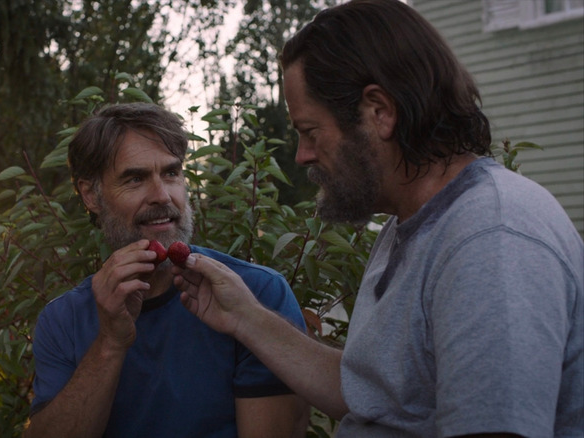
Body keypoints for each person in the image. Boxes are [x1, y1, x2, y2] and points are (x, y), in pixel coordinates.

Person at [172, 1, 584, 437]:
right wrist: (245, 317)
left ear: (379, 112)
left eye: (311, 131)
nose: (302, 155)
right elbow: (377, 397)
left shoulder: (490, 239)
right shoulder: (410, 225)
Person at [23, 102, 309, 438]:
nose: (162, 196)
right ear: (91, 195)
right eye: (135, 178)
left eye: (171, 173)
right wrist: (110, 343)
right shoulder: (63, 320)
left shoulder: (257, 295)